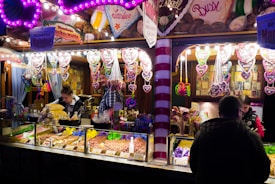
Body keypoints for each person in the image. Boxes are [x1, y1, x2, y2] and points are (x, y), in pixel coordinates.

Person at [189, 95, 270, 184]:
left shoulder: (202, 134)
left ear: (219, 114)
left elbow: (193, 165)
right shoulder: (251, 136)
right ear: (239, 113)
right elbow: (263, 171)